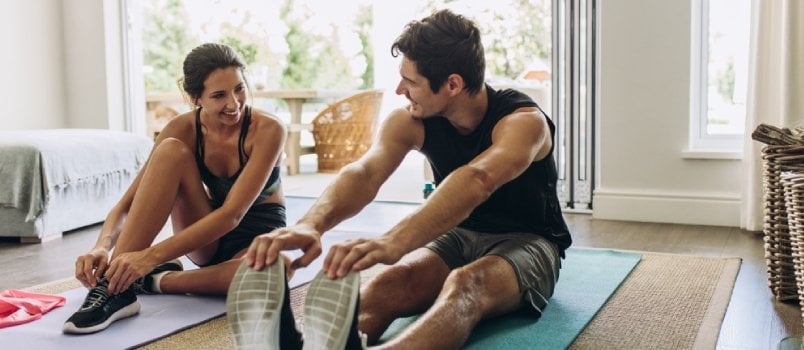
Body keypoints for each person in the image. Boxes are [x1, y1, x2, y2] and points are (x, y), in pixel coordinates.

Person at [228, 9, 572, 349]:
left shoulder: (524, 123)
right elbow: (365, 173)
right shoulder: (410, 120)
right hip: (459, 235)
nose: (399, 89)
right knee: (392, 281)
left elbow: (477, 180)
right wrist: (311, 225)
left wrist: (393, 241)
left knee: (466, 285)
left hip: (529, 241)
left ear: (453, 84)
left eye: (411, 82)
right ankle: (303, 345)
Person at [63, 42, 293, 336]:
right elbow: (128, 203)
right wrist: (101, 246)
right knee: (170, 151)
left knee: (277, 270)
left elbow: (232, 215)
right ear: (195, 97)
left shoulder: (269, 129)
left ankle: (150, 281)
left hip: (256, 238)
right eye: (219, 95)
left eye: (239, 88)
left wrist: (148, 260)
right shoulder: (182, 128)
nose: (234, 103)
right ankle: (114, 289)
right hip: (205, 234)